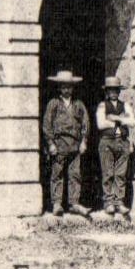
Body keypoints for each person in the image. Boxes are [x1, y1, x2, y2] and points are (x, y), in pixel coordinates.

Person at [42, 70, 91, 217]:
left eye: (69, 87)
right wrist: (50, 143)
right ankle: (57, 204)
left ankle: (74, 203)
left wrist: (83, 142)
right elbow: (47, 125)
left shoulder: (78, 105)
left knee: (75, 174)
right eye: (63, 87)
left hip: (75, 145)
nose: (66, 90)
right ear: (59, 88)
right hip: (59, 145)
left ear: (73, 88)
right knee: (57, 174)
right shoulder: (54, 104)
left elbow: (85, 123)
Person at [96, 76, 135, 218]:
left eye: (115, 90)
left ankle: (119, 202)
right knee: (108, 173)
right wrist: (121, 120)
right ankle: (108, 202)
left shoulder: (125, 106)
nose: (113, 93)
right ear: (107, 92)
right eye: (110, 90)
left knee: (120, 173)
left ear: (119, 91)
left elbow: (132, 122)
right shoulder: (102, 106)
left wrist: (115, 118)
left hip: (122, 141)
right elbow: (101, 124)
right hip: (107, 141)